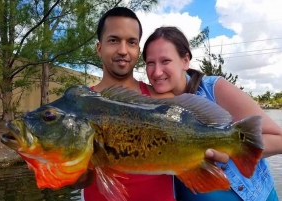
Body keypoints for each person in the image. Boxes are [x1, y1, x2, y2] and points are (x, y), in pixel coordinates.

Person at [73, 7, 229, 201]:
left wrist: (210, 156)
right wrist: (70, 171)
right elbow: (80, 180)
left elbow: (194, 158)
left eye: (131, 42)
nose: (122, 50)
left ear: (138, 50)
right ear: (99, 47)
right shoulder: (81, 104)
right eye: (113, 40)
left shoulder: (162, 99)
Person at [142, 26, 282, 201]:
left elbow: (279, 138)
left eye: (165, 61)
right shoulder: (148, 104)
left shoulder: (214, 88)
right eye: (150, 63)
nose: (156, 72)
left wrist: (228, 148)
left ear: (185, 61)